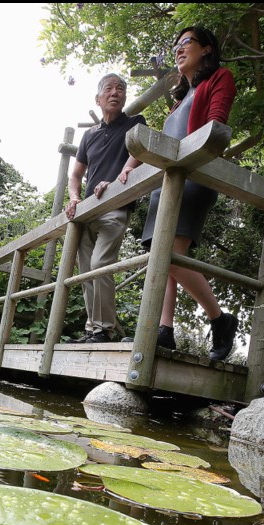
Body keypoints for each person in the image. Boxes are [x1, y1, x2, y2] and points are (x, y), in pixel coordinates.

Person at [118, 25, 238, 361]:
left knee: (170, 253)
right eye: (176, 46)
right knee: (163, 256)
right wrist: (130, 165)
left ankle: (219, 319)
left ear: (207, 49)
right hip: (165, 182)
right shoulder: (180, 99)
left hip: (195, 175)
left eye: (186, 43)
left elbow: (216, 128)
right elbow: (156, 140)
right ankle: (164, 330)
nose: (178, 49)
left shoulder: (220, 78)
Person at [65, 73, 146, 343]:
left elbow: (139, 150)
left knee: (101, 264)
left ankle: (104, 329)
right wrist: (74, 197)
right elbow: (75, 174)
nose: (116, 93)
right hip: (87, 210)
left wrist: (121, 175)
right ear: (98, 98)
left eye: (121, 89)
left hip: (116, 204)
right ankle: (93, 329)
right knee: (87, 270)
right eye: (109, 89)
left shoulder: (135, 123)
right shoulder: (89, 135)